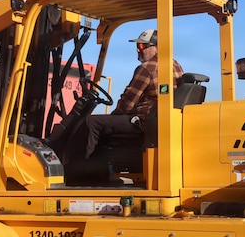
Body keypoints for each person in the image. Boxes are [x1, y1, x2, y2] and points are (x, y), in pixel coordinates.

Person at [61, 29, 182, 175]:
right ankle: (103, 169)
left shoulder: (147, 68)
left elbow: (127, 104)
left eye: (143, 46)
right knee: (104, 123)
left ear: (157, 47)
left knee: (92, 123)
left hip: (144, 121)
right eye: (137, 46)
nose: (138, 49)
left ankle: (81, 172)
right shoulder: (175, 65)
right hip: (160, 121)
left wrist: (114, 115)